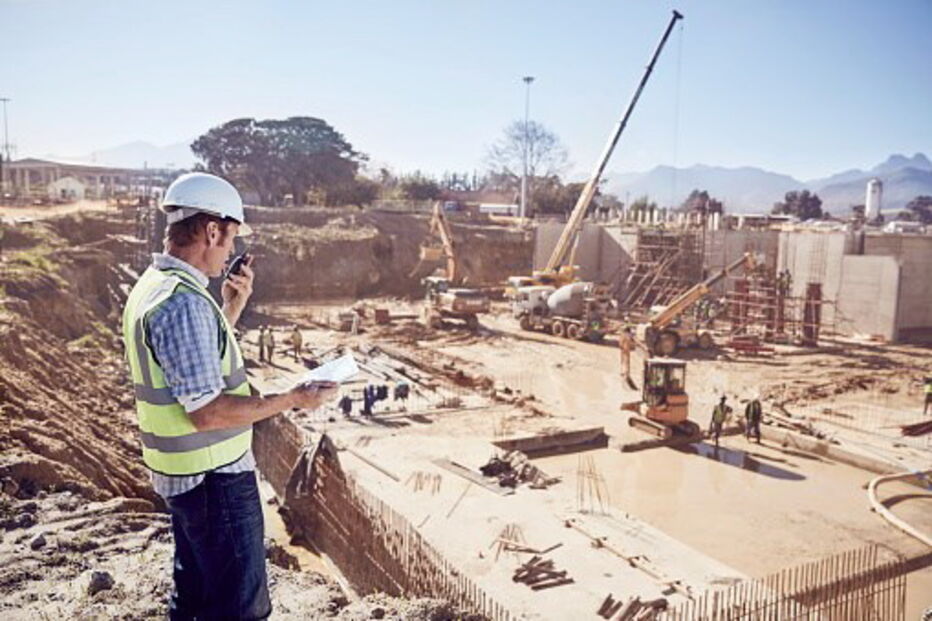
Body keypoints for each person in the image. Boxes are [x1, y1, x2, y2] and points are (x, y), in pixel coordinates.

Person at [121, 172, 338, 620]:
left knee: (196, 592)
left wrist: (229, 310)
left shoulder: (158, 287)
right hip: (213, 479)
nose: (231, 252)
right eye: (230, 238)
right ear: (212, 229)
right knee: (241, 607)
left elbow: (191, 365)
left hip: (186, 476)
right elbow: (208, 410)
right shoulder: (183, 304)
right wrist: (293, 397)